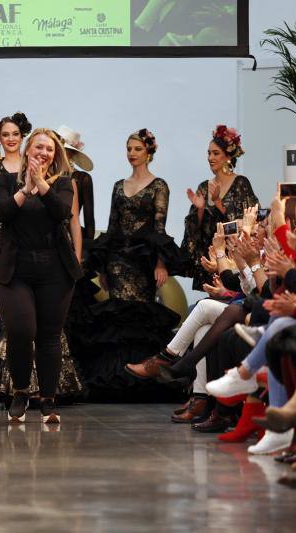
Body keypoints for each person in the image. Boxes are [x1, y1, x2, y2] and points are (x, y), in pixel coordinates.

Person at [0, 113, 83, 401]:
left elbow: (62, 213)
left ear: (55, 154)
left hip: (54, 270)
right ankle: (21, 390)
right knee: (22, 330)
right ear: (28, 150)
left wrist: (42, 183)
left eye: (49, 148)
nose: (44, 152)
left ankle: (49, 399)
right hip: (16, 268)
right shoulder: (5, 180)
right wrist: (26, 188)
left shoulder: (64, 182)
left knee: (50, 337)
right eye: (39, 147)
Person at [76, 129, 183, 400]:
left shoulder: (159, 185)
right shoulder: (117, 185)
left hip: (143, 261)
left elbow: (160, 226)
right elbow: (112, 227)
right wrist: (101, 267)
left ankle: (141, 379)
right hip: (116, 260)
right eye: (129, 149)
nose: (132, 154)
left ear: (148, 152)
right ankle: (114, 379)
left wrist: (161, 264)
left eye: (137, 149)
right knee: (117, 314)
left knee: (139, 314)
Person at [181, 124, 258, 291]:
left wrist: (217, 203)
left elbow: (247, 222)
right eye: (208, 153)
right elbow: (194, 230)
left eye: (215, 153)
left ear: (228, 157)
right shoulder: (203, 186)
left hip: (233, 259)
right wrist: (200, 210)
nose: (210, 157)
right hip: (211, 255)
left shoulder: (241, 183)